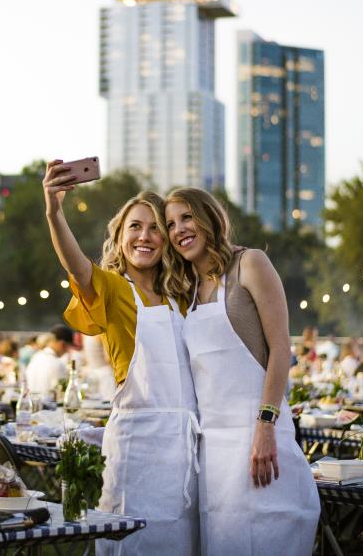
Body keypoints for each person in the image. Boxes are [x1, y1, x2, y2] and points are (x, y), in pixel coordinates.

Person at [45, 159, 198, 556]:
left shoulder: (183, 296)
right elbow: (75, 266)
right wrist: (54, 210)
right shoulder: (112, 289)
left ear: (167, 240)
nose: (144, 236)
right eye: (135, 226)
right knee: (131, 543)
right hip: (137, 448)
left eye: (154, 228)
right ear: (120, 236)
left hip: (184, 450)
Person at [164, 187, 319, 556]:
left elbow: (281, 348)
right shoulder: (187, 289)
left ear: (209, 218)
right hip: (213, 451)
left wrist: (265, 425)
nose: (179, 229)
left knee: (266, 539)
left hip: (259, 437)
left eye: (187, 217)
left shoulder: (250, 263)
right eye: (170, 224)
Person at [25, 326, 77, 396]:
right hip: (49, 405)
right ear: (62, 344)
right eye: (68, 347)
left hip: (33, 403)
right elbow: (63, 394)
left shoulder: (36, 356)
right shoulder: (57, 363)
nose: (67, 351)